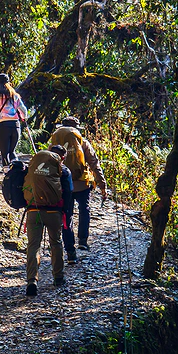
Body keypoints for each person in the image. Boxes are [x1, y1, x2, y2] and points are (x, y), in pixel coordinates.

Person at [50, 117, 108, 262]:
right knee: (84, 210)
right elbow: (94, 163)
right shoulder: (83, 142)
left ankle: (70, 249)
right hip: (81, 183)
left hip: (63, 184)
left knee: (66, 215)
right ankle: (83, 241)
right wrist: (102, 184)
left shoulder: (54, 143)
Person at [23, 145, 73, 296]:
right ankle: (58, 277)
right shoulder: (63, 171)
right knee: (56, 243)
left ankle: (32, 280)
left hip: (33, 211)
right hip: (53, 212)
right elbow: (69, 192)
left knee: (33, 245)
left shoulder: (32, 166)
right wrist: (66, 212)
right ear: (61, 157)